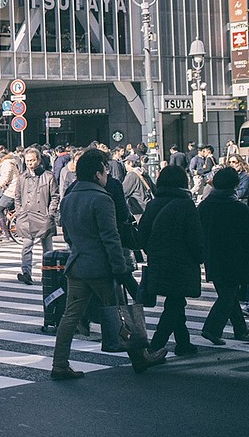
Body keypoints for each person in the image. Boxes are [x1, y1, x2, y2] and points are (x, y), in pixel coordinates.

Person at [54, 148, 165, 378]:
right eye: (105, 170)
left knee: (70, 316)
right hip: (101, 267)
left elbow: (67, 235)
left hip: (77, 264)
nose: (107, 175)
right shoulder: (102, 199)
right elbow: (110, 238)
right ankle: (140, 357)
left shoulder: (68, 198)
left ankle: (59, 364)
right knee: (121, 311)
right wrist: (120, 268)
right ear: (97, 174)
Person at [139, 165, 205, 358]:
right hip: (182, 263)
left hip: (158, 261)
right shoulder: (186, 205)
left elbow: (142, 236)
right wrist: (200, 257)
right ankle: (154, 347)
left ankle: (183, 343)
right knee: (175, 303)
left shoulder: (153, 204)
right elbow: (195, 238)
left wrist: (153, 251)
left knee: (176, 301)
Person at [197, 167, 249, 344]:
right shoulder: (238, 208)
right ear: (234, 185)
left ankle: (241, 329)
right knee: (228, 295)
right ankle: (212, 329)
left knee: (228, 293)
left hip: (211, 255)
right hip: (234, 257)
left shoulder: (205, 205)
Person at [13, 147, 60, 285]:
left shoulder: (48, 176)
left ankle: (48, 274)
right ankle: (26, 273)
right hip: (26, 216)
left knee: (47, 248)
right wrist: (19, 212)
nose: (30, 163)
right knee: (26, 246)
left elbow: (55, 196)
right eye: (28, 161)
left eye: (32, 160)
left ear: (39, 160)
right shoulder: (22, 177)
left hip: (43, 215)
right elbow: (17, 197)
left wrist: (50, 213)